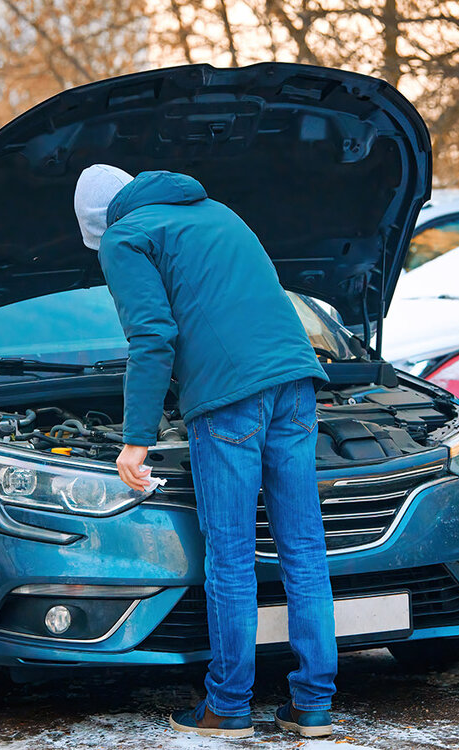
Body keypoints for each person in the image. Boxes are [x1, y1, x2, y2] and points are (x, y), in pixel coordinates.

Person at [73, 165, 338, 739]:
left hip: (229, 400)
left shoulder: (125, 237)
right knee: (303, 548)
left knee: (232, 556)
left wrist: (136, 439)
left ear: (97, 224)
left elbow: (152, 336)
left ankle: (228, 707)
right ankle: (314, 704)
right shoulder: (215, 211)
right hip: (296, 383)